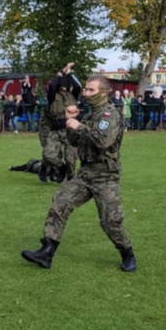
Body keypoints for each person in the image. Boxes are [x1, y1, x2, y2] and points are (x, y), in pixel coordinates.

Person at [21, 75, 136, 272]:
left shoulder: (111, 115)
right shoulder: (91, 115)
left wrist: (79, 126)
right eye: (85, 89)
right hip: (86, 173)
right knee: (60, 203)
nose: (85, 93)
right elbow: (74, 142)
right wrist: (71, 121)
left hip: (105, 175)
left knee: (111, 221)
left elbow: (102, 142)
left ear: (104, 93)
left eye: (91, 90)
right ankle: (47, 251)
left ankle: (127, 253)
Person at [41, 63, 81, 182]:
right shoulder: (53, 96)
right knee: (48, 155)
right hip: (55, 130)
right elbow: (52, 86)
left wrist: (68, 73)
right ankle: (61, 167)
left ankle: (70, 179)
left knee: (70, 159)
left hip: (70, 130)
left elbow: (78, 86)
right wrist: (58, 75)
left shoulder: (72, 96)